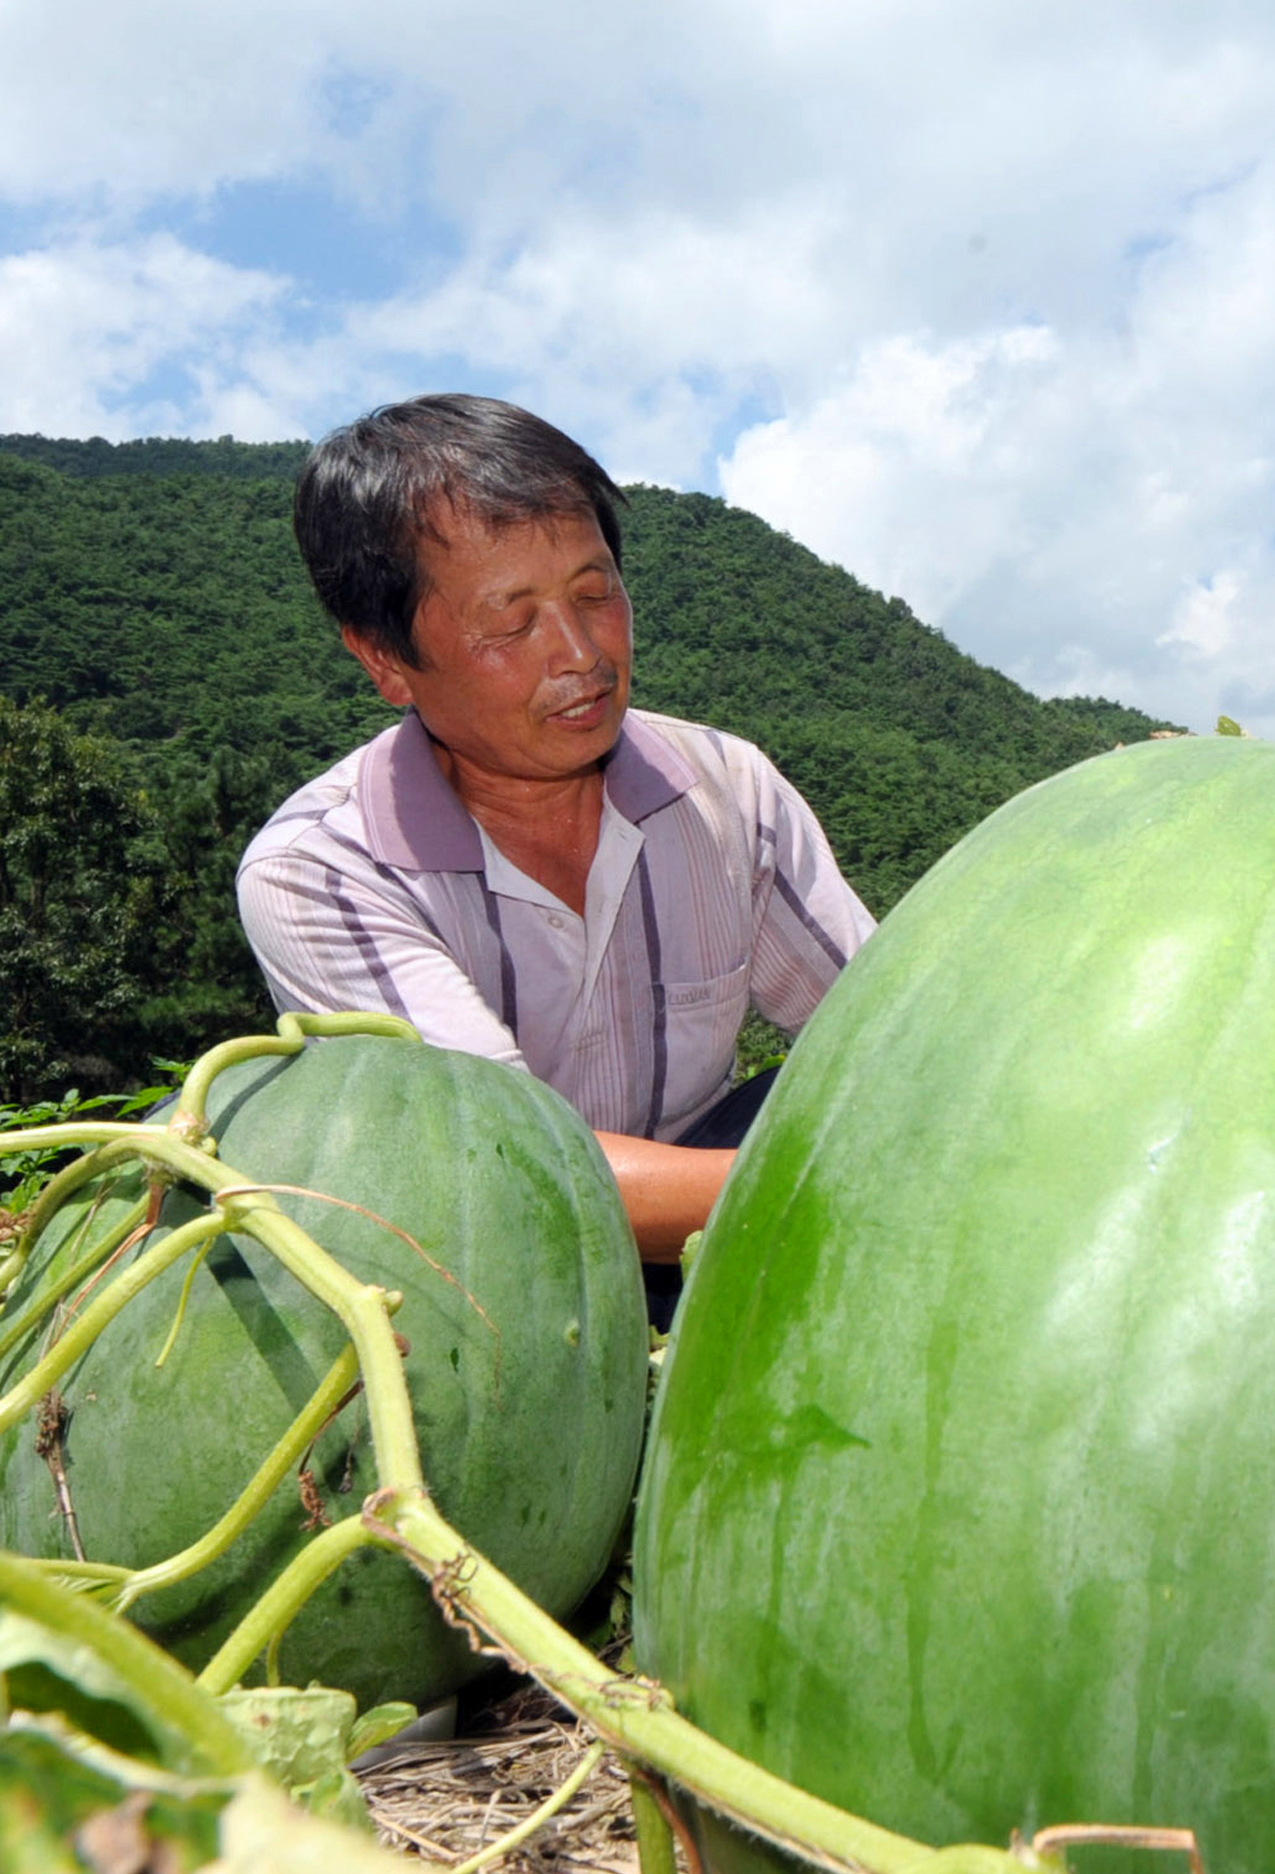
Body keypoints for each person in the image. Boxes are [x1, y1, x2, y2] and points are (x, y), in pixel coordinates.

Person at [238, 394, 874, 1289]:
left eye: (594, 591)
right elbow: (508, 1170)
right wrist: (864, 1184)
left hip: (711, 1191)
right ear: (384, 659)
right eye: (510, 622)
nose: (580, 653)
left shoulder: (729, 790)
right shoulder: (323, 873)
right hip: (502, 1271)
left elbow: (877, 1030)